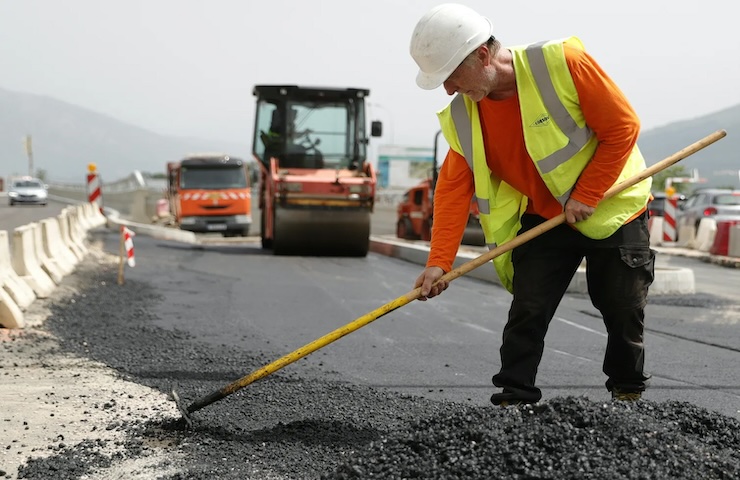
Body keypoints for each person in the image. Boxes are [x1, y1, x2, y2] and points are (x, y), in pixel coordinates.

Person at [409, 3, 654, 406]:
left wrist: (587, 194)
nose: (449, 90)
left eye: (451, 76)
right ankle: (515, 397)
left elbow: (622, 127)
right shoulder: (463, 115)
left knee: (622, 307)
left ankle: (627, 394)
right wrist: (440, 261)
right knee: (528, 308)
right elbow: (453, 190)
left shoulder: (563, 63)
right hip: (547, 217)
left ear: (483, 56)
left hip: (614, 210)